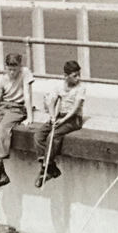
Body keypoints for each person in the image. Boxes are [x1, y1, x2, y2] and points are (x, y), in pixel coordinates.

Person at [0, 53, 34, 188]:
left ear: (20, 66)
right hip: (3, 106)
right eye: (9, 69)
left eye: (15, 69)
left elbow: (27, 95)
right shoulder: (1, 80)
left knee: (3, 128)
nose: (12, 72)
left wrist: (30, 117)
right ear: (5, 67)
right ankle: (1, 171)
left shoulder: (25, 73)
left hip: (17, 108)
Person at [35, 60, 85, 188]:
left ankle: (45, 169)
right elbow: (52, 103)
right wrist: (52, 118)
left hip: (74, 119)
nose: (78, 78)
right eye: (75, 76)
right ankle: (50, 168)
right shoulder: (59, 86)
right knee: (39, 135)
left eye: (79, 75)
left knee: (54, 135)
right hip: (59, 116)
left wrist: (62, 121)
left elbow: (75, 109)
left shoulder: (80, 88)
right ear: (66, 76)